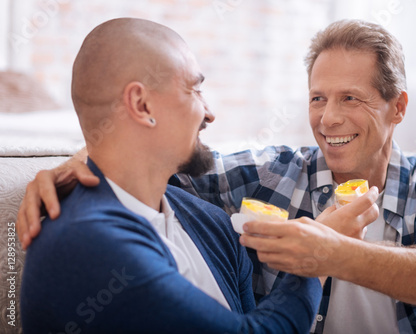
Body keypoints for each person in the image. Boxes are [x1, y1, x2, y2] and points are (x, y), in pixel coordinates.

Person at [16, 19, 416, 333]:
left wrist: (329, 251)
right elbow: (144, 162)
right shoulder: (268, 175)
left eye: (351, 98)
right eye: (318, 98)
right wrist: (72, 165)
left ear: (398, 107)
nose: (328, 119)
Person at [19, 17, 349, 333]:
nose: (210, 113)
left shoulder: (211, 223)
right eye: (194, 90)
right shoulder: (86, 242)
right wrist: (318, 257)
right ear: (142, 105)